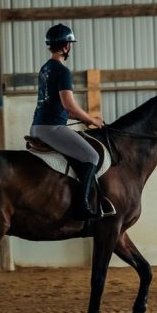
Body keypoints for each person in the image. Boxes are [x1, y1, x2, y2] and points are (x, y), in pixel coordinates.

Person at [30, 23, 105, 220]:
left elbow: (56, 105)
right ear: (66, 46)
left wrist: (81, 118)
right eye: (70, 44)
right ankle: (83, 206)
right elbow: (69, 105)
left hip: (38, 126)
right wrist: (92, 120)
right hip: (51, 128)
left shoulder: (45, 68)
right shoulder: (62, 71)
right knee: (92, 157)